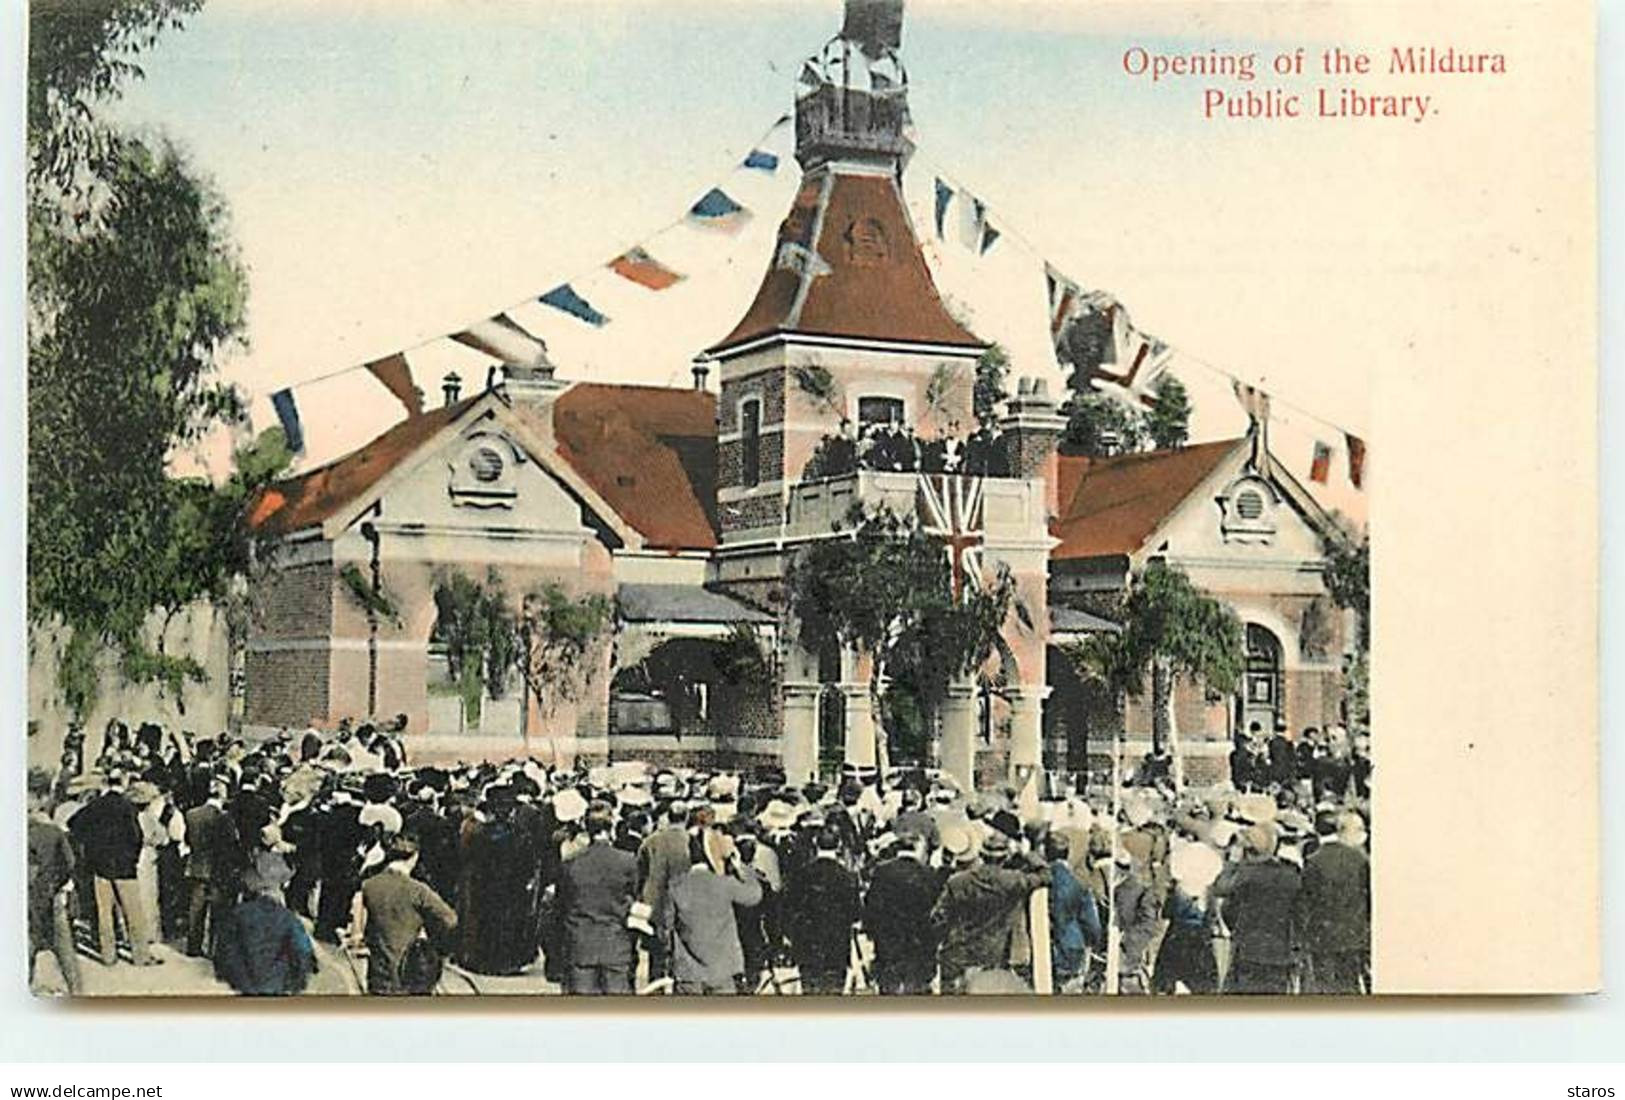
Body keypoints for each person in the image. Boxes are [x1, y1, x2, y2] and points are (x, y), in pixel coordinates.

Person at [930, 826, 1048, 993]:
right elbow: (1045, 874)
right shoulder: (1012, 881)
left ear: (981, 855)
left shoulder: (957, 882)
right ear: (1006, 857)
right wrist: (1024, 853)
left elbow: (937, 918)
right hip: (991, 957)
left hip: (956, 954)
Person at [69, 771, 159, 967]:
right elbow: (136, 836)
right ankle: (140, 955)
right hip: (124, 867)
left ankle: (108, 955)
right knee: (133, 912)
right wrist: (132, 858)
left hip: (100, 866)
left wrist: (91, 848)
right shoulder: (128, 807)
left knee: (104, 914)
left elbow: (74, 824)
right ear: (123, 782)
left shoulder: (95, 805)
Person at [662, 830, 762, 995]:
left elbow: (665, 925)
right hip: (722, 968)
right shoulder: (724, 882)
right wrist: (741, 867)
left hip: (687, 971)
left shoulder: (676, 884)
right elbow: (754, 895)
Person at [359, 834, 458, 995]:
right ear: (414, 857)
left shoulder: (369, 885)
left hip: (378, 974)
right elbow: (450, 919)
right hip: (411, 972)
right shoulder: (418, 890)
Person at [556, 804, 639, 994]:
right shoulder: (627, 861)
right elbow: (633, 897)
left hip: (580, 943)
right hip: (615, 943)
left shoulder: (571, 862)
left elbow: (561, 904)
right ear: (611, 827)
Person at [212, 849, 317, 996]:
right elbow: (303, 952)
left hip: (244, 983)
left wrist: (228, 976)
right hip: (278, 984)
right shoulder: (288, 919)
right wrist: (298, 983)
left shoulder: (238, 914)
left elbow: (224, 950)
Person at [1214, 822, 1303, 993]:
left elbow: (1222, 893)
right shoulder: (1291, 873)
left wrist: (1233, 861)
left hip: (1248, 949)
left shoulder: (1245, 874)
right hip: (1281, 952)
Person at [1296, 810, 1370, 993]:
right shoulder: (1359, 859)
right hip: (1354, 933)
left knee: (1324, 985)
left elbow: (1306, 901)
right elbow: (1368, 896)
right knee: (1350, 984)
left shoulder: (1314, 861)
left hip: (1322, 935)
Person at [863, 834, 942, 995]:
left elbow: (872, 905)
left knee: (889, 990)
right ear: (917, 848)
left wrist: (872, 932)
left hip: (889, 942)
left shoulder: (882, 871)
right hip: (919, 944)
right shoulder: (929, 873)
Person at [786, 824, 861, 995]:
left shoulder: (801, 874)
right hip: (837, 946)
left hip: (807, 945)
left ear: (815, 844)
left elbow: (790, 907)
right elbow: (855, 914)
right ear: (839, 846)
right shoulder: (847, 876)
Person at [27, 768, 81, 994]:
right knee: (64, 951)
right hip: (50, 894)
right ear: (43, 797)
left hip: (28, 894)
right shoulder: (53, 832)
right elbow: (69, 864)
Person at [184, 779, 243, 957]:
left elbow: (188, 839)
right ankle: (214, 948)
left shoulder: (191, 814)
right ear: (222, 796)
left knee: (196, 909)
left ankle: (193, 946)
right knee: (217, 911)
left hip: (196, 866)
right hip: (218, 869)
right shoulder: (224, 818)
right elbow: (230, 845)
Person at [1044, 833, 1102, 992]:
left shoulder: (1038, 878)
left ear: (1045, 851)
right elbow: (1092, 924)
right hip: (1072, 945)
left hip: (1044, 947)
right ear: (1068, 853)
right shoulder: (1079, 883)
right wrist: (1093, 942)